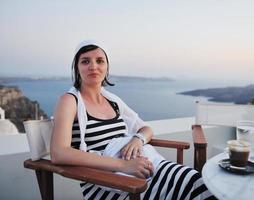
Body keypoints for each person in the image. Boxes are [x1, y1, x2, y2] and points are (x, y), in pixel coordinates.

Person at [50, 40, 215, 200]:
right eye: (85, 61)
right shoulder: (70, 101)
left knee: (195, 180)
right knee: (190, 185)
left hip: (139, 168)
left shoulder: (113, 102)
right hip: (104, 182)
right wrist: (124, 166)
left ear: (107, 67)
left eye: (100, 61)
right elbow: (59, 153)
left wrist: (138, 139)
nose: (93, 66)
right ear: (77, 68)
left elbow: (145, 129)